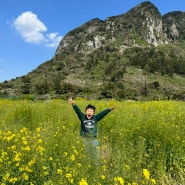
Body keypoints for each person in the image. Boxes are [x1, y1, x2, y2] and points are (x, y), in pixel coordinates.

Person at [68, 97, 116, 165]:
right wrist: (73, 104)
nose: (89, 112)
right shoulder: (82, 117)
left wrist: (109, 109)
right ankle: (87, 166)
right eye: (88, 111)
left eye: (91, 111)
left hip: (93, 139)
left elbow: (102, 113)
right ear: (85, 112)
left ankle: (95, 167)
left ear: (93, 113)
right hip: (85, 139)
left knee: (95, 155)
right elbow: (77, 111)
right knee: (86, 154)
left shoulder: (95, 118)